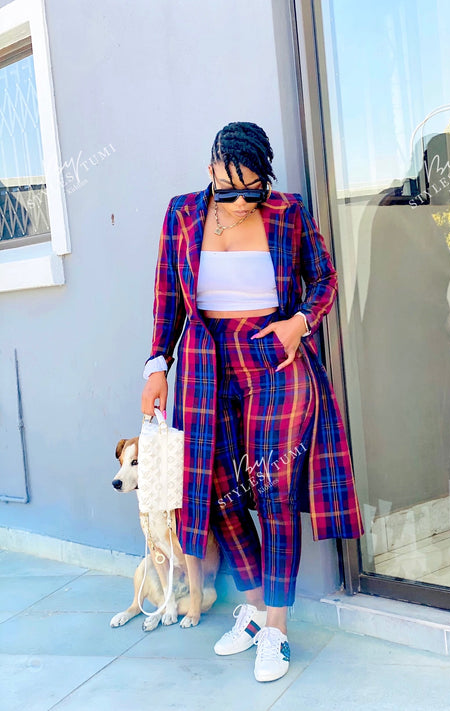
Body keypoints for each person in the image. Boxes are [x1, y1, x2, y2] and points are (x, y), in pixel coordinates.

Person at [141, 121, 364, 683]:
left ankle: (278, 629)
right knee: (218, 491)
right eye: (229, 191)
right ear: (211, 172)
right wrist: (156, 364)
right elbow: (167, 298)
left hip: (274, 360)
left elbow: (325, 279)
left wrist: (299, 323)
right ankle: (258, 607)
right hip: (206, 363)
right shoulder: (182, 214)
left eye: (253, 191)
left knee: (273, 490)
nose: (241, 203)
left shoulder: (288, 213)